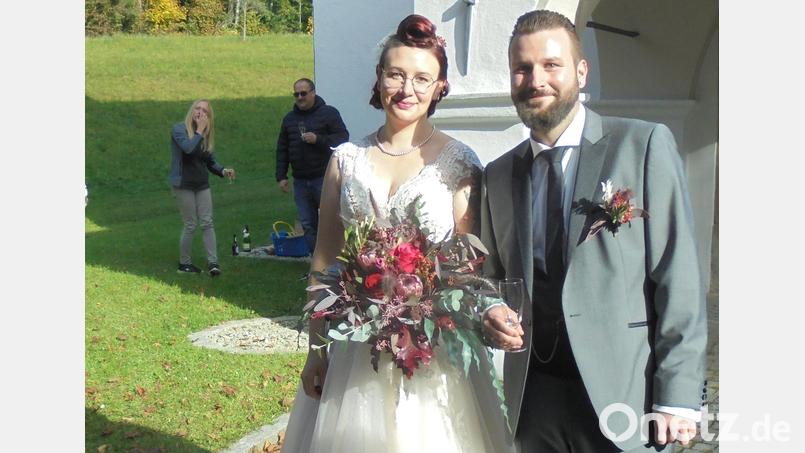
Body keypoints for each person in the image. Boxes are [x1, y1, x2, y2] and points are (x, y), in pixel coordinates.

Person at [281, 14, 512, 453]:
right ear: (379, 79)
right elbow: (325, 261)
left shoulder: (460, 163)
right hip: (356, 350)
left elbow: (466, 271)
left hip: (434, 352)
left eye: (422, 78)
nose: (407, 90)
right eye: (396, 75)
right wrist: (317, 350)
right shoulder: (345, 160)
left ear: (440, 87)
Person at [480, 10, 708, 452]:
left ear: (581, 72)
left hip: (623, 389)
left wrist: (677, 398)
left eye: (551, 65)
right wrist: (488, 310)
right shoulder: (497, 174)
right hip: (533, 396)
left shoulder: (641, 146)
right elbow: (489, 276)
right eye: (522, 68)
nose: (535, 79)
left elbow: (677, 275)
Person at [275, 78, 349, 254]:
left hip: (324, 178)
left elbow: (343, 139)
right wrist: (281, 176)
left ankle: (337, 263)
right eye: (296, 94)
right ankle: (316, 266)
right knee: (308, 224)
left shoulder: (328, 113)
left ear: (313, 92)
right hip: (300, 180)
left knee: (331, 221)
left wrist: (318, 139)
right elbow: (282, 149)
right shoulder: (289, 119)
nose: (300, 97)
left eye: (303, 93)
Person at [169, 99, 235, 277]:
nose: (200, 112)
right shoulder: (179, 129)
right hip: (183, 184)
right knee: (191, 224)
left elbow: (209, 160)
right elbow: (188, 149)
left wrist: (223, 170)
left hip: (201, 184)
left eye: (205, 111)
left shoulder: (205, 134)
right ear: (192, 111)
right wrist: (198, 131)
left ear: (209, 116)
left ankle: (213, 262)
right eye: (197, 109)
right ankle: (184, 264)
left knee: (207, 222)